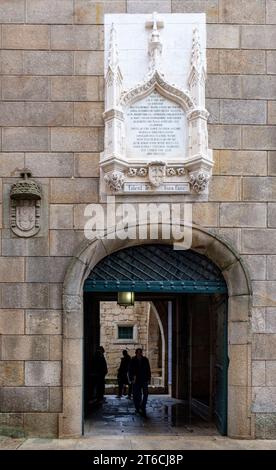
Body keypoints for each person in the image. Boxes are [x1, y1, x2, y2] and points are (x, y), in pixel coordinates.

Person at [128, 348, 151, 417]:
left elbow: (148, 369)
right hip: (136, 380)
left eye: (140, 353)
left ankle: (142, 406)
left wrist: (148, 378)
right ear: (136, 353)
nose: (139, 354)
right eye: (138, 353)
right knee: (136, 395)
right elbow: (130, 370)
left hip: (144, 379)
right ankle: (137, 407)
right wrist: (131, 379)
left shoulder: (145, 360)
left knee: (146, 393)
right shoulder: (133, 360)